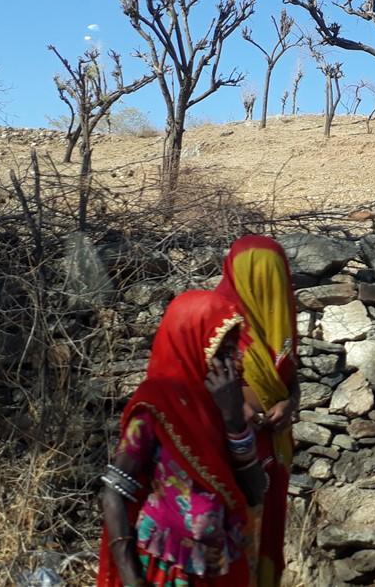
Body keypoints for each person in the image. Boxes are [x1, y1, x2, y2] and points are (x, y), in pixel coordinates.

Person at [98, 290, 269, 587]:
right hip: (166, 567)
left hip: (219, 566)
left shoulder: (226, 407)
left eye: (233, 351)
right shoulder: (155, 407)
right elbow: (113, 491)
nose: (233, 364)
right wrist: (130, 577)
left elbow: (254, 492)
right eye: (222, 351)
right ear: (193, 344)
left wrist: (234, 422)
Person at [215, 236, 301, 587]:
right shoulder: (217, 323)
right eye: (259, 275)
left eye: (275, 274)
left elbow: (292, 378)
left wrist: (289, 404)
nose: (268, 285)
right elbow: (199, 387)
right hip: (229, 451)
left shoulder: (281, 325)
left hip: (273, 447)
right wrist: (239, 410)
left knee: (266, 536)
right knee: (234, 540)